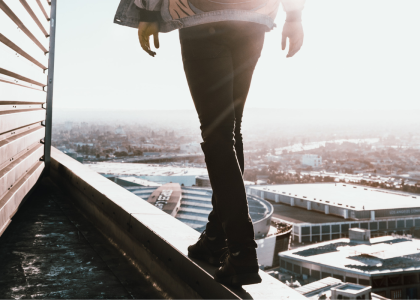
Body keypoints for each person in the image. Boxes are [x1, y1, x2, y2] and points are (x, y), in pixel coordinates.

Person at [114, 0, 305, 286]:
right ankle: (216, 240)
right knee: (230, 130)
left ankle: (241, 252)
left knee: (218, 133)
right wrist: (293, 15)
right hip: (253, 18)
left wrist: (148, 11)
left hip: (201, 16)